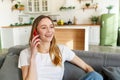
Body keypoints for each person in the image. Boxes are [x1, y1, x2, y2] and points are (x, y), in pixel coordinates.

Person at [18, 15, 103, 80]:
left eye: (51, 27)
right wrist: (33, 56)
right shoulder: (25, 54)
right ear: (35, 32)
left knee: (96, 76)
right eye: (44, 27)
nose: (49, 30)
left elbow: (86, 67)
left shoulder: (62, 50)